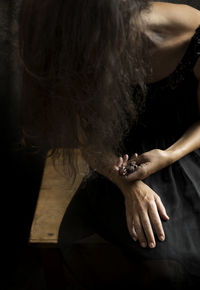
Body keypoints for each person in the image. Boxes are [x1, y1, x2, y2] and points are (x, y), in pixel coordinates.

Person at [19, 0, 200, 289]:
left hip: (182, 149)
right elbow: (88, 141)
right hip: (113, 159)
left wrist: (168, 155)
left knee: (179, 259)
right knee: (162, 263)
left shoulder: (192, 31)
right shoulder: (78, 43)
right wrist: (128, 185)